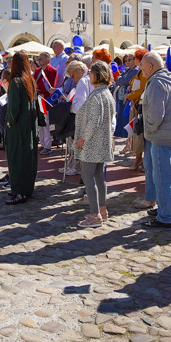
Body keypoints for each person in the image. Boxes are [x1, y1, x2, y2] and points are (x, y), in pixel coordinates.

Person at [137, 52, 171, 228]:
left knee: (161, 177)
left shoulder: (157, 82)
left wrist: (148, 127)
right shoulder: (167, 78)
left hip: (162, 134)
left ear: (150, 65)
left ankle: (165, 217)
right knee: (162, 175)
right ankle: (164, 208)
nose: (141, 68)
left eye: (142, 65)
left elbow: (156, 113)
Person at [74, 61, 116, 226]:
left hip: (92, 143)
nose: (89, 75)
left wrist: (82, 138)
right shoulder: (107, 94)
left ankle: (94, 214)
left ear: (98, 75)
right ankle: (102, 210)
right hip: (102, 142)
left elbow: (94, 121)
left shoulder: (98, 96)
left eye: (91, 73)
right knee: (99, 177)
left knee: (88, 177)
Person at [4, 51, 38, 205]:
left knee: (17, 157)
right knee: (27, 157)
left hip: (18, 126)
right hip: (30, 126)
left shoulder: (16, 82)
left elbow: (13, 107)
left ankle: (19, 190)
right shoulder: (30, 80)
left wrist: (10, 122)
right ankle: (26, 188)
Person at [126, 48, 149, 172]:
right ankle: (139, 159)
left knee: (140, 134)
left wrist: (129, 95)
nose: (133, 60)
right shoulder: (139, 72)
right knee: (137, 134)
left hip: (141, 106)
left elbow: (142, 90)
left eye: (135, 58)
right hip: (136, 106)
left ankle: (140, 159)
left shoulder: (143, 72)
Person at [33, 51, 58, 155]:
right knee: (40, 123)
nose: (39, 61)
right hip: (37, 98)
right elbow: (34, 82)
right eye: (39, 59)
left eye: (41, 59)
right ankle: (42, 144)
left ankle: (47, 146)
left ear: (47, 59)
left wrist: (40, 90)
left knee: (46, 123)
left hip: (46, 99)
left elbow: (51, 86)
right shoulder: (37, 70)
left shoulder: (52, 71)